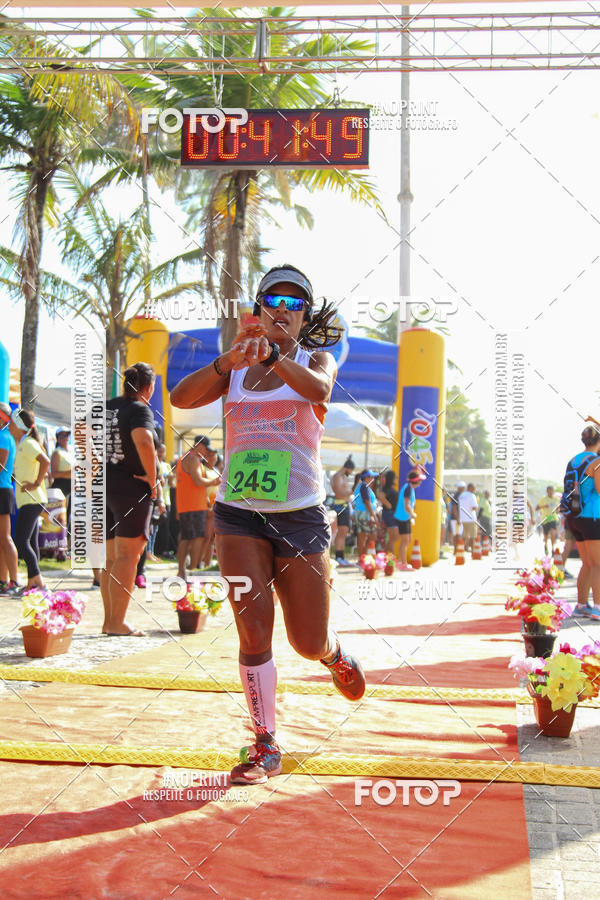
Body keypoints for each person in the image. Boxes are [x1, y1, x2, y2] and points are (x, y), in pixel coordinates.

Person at [170, 262, 365, 785]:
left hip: (300, 517)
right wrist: (225, 361)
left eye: (294, 303)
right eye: (272, 302)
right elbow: (179, 399)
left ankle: (333, 653)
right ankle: (264, 743)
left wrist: (275, 356)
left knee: (306, 640)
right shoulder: (234, 369)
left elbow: (319, 391)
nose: (282, 311)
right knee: (253, 630)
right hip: (239, 517)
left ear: (305, 317)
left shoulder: (313, 358)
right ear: (257, 310)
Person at [102, 362, 158, 636]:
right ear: (148, 387)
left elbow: (80, 431)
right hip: (131, 489)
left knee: (111, 558)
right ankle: (116, 622)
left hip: (104, 486)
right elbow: (144, 440)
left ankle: (109, 621)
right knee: (127, 557)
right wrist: (152, 476)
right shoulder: (139, 409)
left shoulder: (107, 406)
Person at [9, 409, 49, 593]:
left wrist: (36, 483)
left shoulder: (28, 444)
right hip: (29, 500)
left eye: (12, 422)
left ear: (18, 426)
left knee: (21, 541)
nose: (9, 425)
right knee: (30, 542)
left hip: (33, 500)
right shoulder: (22, 444)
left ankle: (40, 584)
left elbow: (45, 461)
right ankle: (33, 583)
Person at [563, 423, 600, 620]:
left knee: (587, 563)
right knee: (597, 565)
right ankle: (598, 607)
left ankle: (581, 605)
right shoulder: (596, 461)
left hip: (574, 517)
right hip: (592, 516)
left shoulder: (574, 459)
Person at [175, 435, 220, 580]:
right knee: (195, 538)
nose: (207, 452)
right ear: (199, 445)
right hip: (192, 505)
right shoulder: (193, 459)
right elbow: (198, 481)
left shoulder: (188, 458)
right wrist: (213, 482)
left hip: (191, 504)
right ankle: (190, 571)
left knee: (190, 538)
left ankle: (185, 570)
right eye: (206, 449)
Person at [0, 402, 18, 594]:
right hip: (3, 489)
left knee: (5, 538)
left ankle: (13, 579)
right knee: (1, 539)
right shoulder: (5, 436)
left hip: (2, 490)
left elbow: (1, 466)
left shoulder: (3, 437)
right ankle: (3, 580)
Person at [393, 468, 423, 569]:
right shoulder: (408, 488)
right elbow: (406, 505)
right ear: (415, 481)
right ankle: (403, 564)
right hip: (402, 517)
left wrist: (411, 514)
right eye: (419, 480)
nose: (421, 482)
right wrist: (413, 514)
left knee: (408, 540)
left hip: (406, 517)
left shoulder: (410, 488)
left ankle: (400, 562)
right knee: (405, 541)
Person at [330, 455, 356, 567]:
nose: (350, 473)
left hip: (345, 505)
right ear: (347, 468)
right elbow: (339, 493)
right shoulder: (337, 477)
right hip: (340, 506)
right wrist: (352, 491)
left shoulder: (342, 477)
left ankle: (341, 556)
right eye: (351, 471)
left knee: (344, 532)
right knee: (341, 532)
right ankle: (339, 557)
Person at [353, 469, 379, 558]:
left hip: (360, 514)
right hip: (365, 514)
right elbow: (367, 501)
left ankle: (362, 560)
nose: (373, 479)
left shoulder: (361, 486)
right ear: (367, 477)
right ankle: (369, 559)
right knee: (373, 537)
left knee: (362, 538)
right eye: (372, 477)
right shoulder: (364, 486)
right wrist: (374, 516)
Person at [378, 469, 400, 554]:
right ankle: (391, 558)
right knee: (393, 538)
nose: (396, 480)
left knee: (393, 538)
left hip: (391, 514)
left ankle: (386, 556)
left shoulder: (389, 488)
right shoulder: (387, 488)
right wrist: (389, 505)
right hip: (390, 514)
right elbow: (380, 496)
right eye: (395, 478)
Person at [536, 485, 560, 555]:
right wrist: (544, 506)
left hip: (553, 518)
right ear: (547, 491)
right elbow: (536, 508)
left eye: (552, 491)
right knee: (546, 535)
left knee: (552, 533)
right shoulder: (543, 499)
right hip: (545, 519)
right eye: (549, 491)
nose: (550, 492)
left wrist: (557, 510)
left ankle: (552, 548)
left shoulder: (556, 499)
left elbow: (558, 509)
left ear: (553, 491)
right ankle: (546, 546)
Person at [459, 482, 479, 552]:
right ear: (471, 488)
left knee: (465, 536)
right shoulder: (472, 495)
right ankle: (473, 551)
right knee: (473, 536)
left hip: (463, 518)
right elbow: (474, 507)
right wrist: (476, 508)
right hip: (471, 518)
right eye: (474, 489)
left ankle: (463, 549)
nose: (474, 490)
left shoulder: (461, 495)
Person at [449, 481, 465, 548]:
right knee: (456, 534)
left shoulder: (462, 495)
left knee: (459, 534)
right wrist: (458, 518)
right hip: (456, 518)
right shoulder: (456, 496)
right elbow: (454, 507)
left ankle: (458, 549)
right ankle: (456, 549)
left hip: (460, 518)